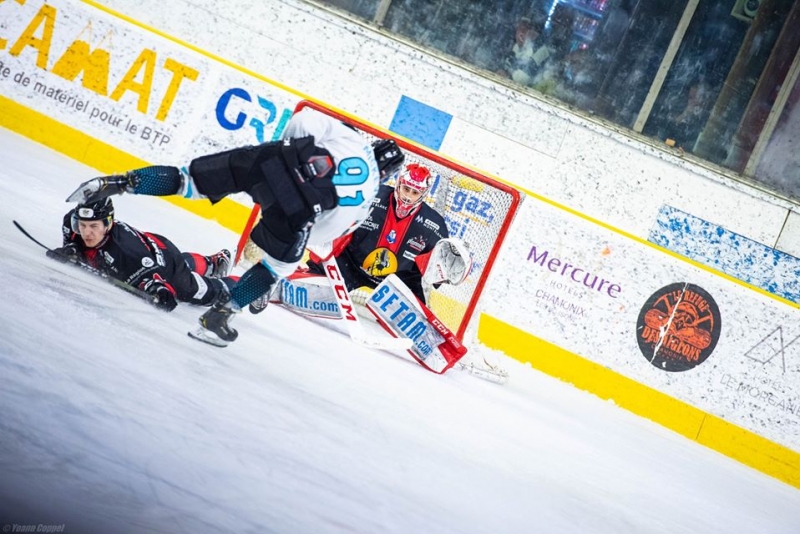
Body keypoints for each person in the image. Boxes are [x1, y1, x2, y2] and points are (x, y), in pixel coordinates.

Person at [65, 107, 406, 346]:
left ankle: (120, 183)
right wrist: (283, 220)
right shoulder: (368, 198)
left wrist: (280, 157)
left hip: (273, 161)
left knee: (188, 181)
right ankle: (219, 317)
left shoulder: (349, 137)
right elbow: (325, 232)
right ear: (389, 175)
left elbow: (303, 121)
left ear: (374, 146)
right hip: (299, 210)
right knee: (276, 268)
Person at [253, 162, 472, 316]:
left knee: (418, 323)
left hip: (396, 281)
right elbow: (335, 219)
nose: (408, 196)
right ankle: (265, 285)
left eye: (415, 193)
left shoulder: (435, 225)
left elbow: (435, 270)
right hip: (349, 265)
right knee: (316, 294)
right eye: (406, 188)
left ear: (423, 195)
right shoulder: (371, 196)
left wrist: (445, 271)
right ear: (398, 184)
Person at [49, 197, 235, 311]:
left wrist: (161, 292)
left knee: (194, 290)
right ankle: (212, 263)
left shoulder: (127, 251)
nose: (86, 233)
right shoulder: (71, 224)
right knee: (182, 265)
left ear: (108, 224)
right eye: (82, 225)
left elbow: (155, 280)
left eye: (93, 226)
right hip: (151, 248)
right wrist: (72, 249)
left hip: (164, 266)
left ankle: (252, 285)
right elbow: (76, 244)